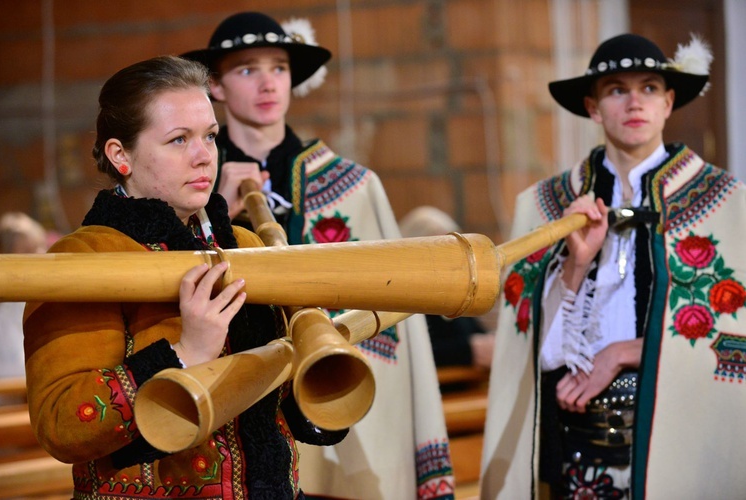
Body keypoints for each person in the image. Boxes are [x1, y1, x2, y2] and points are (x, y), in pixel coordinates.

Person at [22, 55, 349, 499]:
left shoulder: (245, 245)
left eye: (210, 136)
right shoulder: (81, 258)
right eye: (178, 140)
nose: (203, 157)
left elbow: (277, 412)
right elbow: (61, 424)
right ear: (121, 155)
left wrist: (322, 368)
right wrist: (183, 353)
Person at [182, 12, 455, 499]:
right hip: (237, 413)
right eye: (247, 69)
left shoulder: (357, 186)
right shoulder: (188, 188)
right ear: (216, 88)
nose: (268, 83)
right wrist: (214, 210)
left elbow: (401, 318)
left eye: (279, 68)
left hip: (350, 407)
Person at [480, 33, 746, 499]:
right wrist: (575, 266)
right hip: (574, 454)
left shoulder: (727, 205)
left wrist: (624, 351)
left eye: (648, 88)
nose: (634, 102)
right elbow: (527, 356)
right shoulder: (543, 207)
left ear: (668, 102)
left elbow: (733, 344)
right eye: (616, 90)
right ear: (593, 107)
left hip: (679, 450)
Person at [399, 206, 495, 369]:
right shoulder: (403, 297)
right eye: (442, 250)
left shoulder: (456, 292)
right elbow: (407, 353)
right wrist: (468, 351)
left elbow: (476, 333)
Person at [0, 212, 48, 380]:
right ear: (5, 255)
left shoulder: (50, 301)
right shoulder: (2, 314)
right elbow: (12, 371)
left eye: (41, 246)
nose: (40, 256)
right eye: (28, 250)